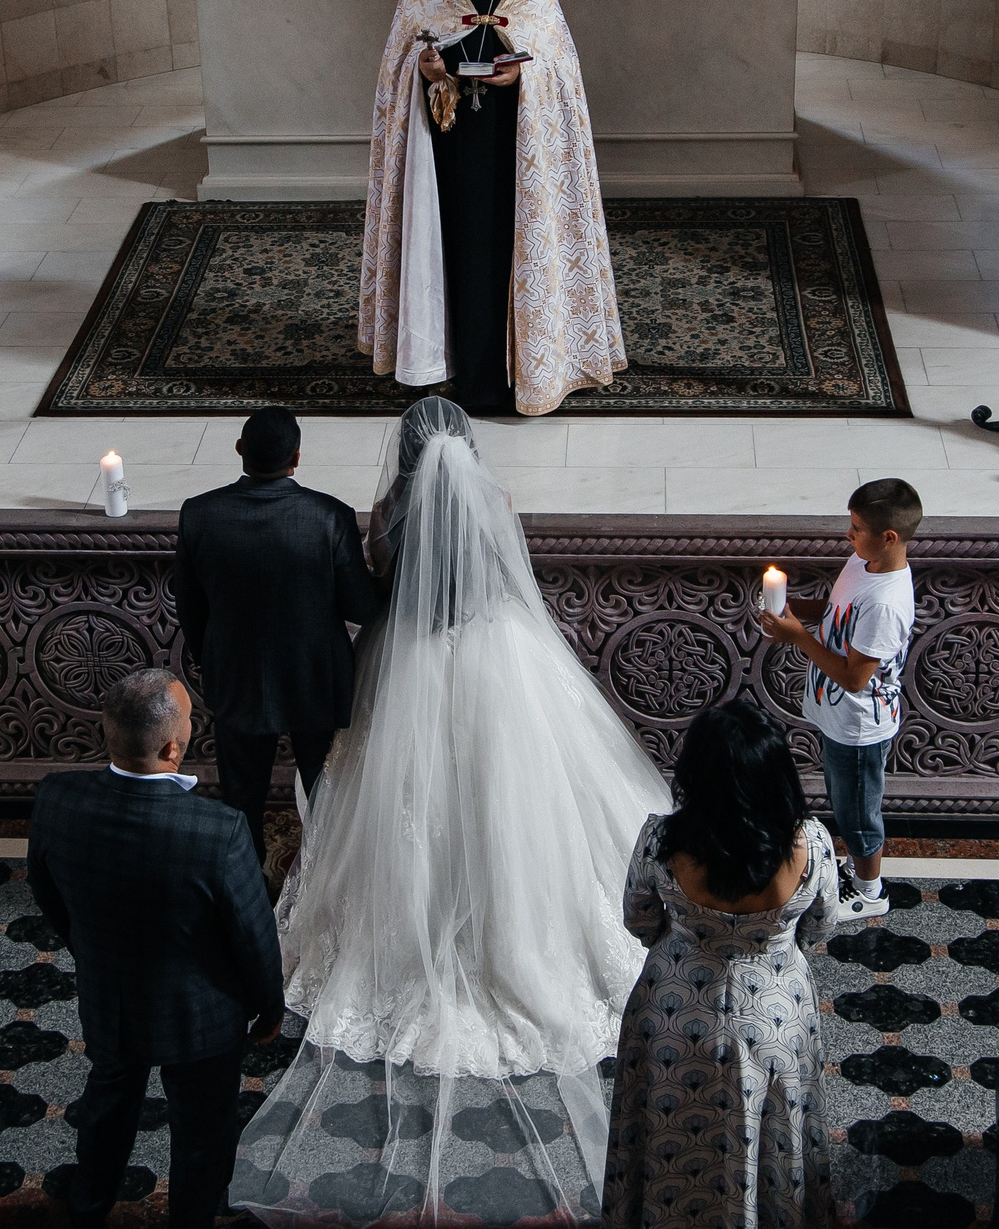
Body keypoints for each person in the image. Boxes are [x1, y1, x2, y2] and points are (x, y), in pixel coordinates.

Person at [229, 398, 672, 1226]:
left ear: (405, 451)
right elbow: (507, 579)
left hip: (411, 660)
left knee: (403, 807)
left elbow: (375, 592)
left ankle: (412, 939)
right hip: (501, 655)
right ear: (467, 449)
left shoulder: (388, 511)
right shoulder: (493, 504)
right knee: (524, 805)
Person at [25, 670, 284, 1229]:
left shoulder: (56, 798)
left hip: (110, 997)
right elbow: (253, 935)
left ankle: (88, 1208)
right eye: (191, 719)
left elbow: (46, 891)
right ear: (173, 746)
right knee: (203, 1132)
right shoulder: (218, 831)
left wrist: (90, 951)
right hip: (203, 1016)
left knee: (108, 1104)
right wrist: (270, 1006)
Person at [358, 0, 625, 416]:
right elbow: (400, 58)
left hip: (520, 145)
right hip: (445, 147)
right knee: (457, 253)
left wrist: (525, 70)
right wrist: (425, 67)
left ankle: (532, 367)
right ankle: (450, 364)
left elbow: (557, 61)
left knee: (514, 249)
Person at [602, 701, 841, 1229]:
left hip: (671, 1019)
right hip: (777, 1021)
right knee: (771, 1149)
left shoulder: (661, 840)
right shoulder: (813, 844)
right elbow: (819, 928)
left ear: (695, 773)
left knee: (666, 1141)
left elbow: (639, 921)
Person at [173, 406, 386, 870]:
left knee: (241, 795)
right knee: (324, 790)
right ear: (297, 457)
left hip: (236, 673)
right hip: (315, 675)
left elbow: (189, 606)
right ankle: (325, 880)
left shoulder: (199, 513)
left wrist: (212, 658)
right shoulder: (330, 516)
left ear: (238, 451)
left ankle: (246, 881)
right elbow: (361, 608)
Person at [755, 477, 921, 912]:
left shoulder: (887, 604)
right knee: (844, 801)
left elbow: (854, 679)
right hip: (839, 717)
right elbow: (836, 612)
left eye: (856, 528)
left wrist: (797, 637)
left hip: (860, 725)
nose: (848, 535)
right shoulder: (862, 564)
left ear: (888, 537)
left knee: (858, 815)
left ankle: (870, 893)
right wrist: (789, 612)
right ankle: (858, 872)